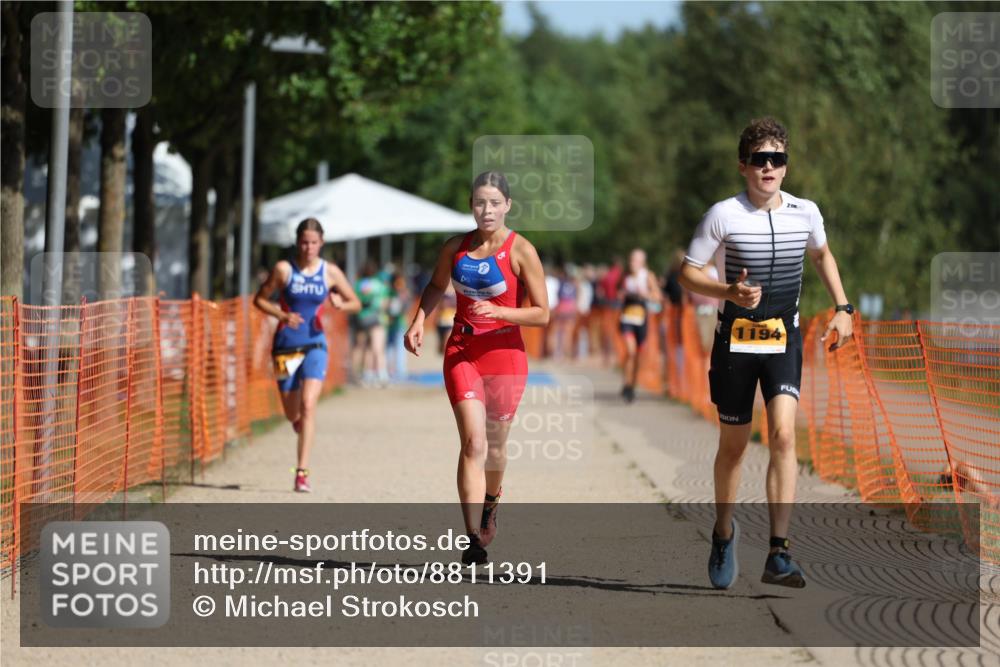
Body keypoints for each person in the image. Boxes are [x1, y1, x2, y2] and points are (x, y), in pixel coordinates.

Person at [679, 117, 853, 589]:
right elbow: (687, 273)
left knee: (782, 436)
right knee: (734, 449)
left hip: (783, 339)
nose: (769, 167)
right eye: (760, 160)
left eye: (777, 159)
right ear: (743, 166)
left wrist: (843, 307)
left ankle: (779, 551)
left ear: (786, 166)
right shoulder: (723, 215)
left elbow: (821, 255)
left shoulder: (805, 212)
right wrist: (726, 291)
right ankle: (723, 531)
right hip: (734, 341)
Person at [404, 171, 549, 566]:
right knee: (473, 443)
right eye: (479, 203)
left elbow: (542, 313)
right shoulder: (456, 248)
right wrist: (419, 320)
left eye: (494, 203)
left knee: (495, 447)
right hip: (463, 350)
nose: (486, 210)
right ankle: (472, 538)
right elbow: (435, 286)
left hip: (505, 355)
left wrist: (501, 311)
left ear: (507, 206)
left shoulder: (521, 251)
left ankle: (491, 501)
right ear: (471, 205)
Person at [253, 218, 361, 493]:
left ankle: (301, 472)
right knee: (292, 413)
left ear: (321, 243)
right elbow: (260, 299)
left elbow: (355, 302)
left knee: (309, 405)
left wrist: (340, 303)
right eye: (304, 242)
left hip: (315, 344)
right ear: (297, 242)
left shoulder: (330, 272)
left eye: (314, 242)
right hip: (285, 345)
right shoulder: (283, 269)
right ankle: (299, 422)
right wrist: (281, 314)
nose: (309, 247)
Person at [617, 248, 663, 403]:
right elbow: (618, 292)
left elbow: (658, 296)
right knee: (630, 351)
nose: (632, 263)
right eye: (631, 259)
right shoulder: (625, 276)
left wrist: (646, 295)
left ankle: (631, 385)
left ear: (642, 262)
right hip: (626, 318)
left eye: (636, 260)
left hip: (641, 320)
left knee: (637, 355)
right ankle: (627, 382)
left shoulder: (647, 276)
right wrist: (622, 294)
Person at [355, 261, 391, 387]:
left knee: (365, 348)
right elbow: (385, 303)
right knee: (378, 348)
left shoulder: (358, 284)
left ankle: (366, 375)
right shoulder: (380, 285)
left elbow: (355, 301)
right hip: (378, 319)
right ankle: (382, 375)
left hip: (362, 319)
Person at [386, 269, 412, 381]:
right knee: (390, 348)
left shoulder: (403, 293)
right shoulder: (389, 292)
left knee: (399, 348)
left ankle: (400, 370)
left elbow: (406, 307)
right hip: (390, 324)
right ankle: (390, 370)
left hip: (400, 323)